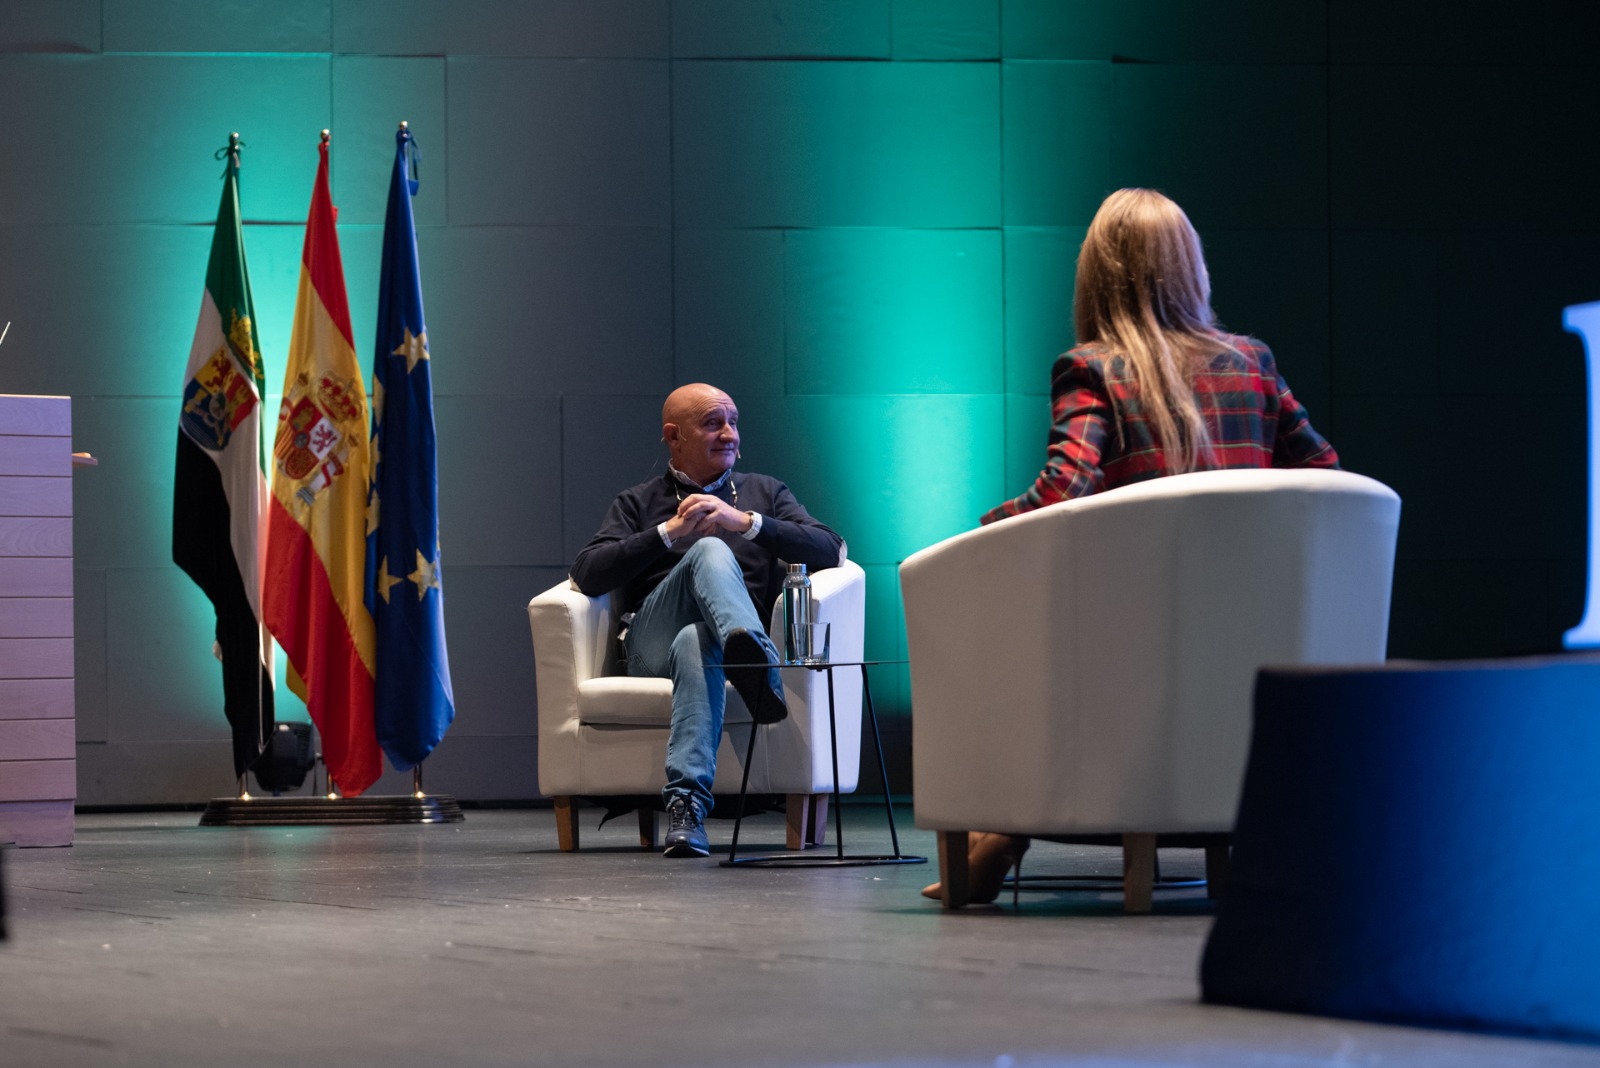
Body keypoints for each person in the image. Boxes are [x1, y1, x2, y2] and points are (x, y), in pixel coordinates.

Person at [924, 187, 1340, 903]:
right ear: (1192, 270)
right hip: (1252, 647)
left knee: (1013, 636)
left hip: (1131, 650)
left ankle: (1000, 832)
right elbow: (1325, 476)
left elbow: (1063, 491)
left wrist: (985, 528)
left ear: (1098, 276)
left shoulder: (1093, 367)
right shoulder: (1253, 363)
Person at [570, 384, 846, 858]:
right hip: (647, 647)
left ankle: (686, 810)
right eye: (713, 423)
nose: (729, 434)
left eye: (733, 422)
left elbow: (832, 549)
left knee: (699, 641)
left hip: (709, 651)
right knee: (708, 549)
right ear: (674, 436)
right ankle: (758, 665)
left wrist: (746, 523)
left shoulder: (764, 493)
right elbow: (587, 573)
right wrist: (669, 532)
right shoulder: (638, 501)